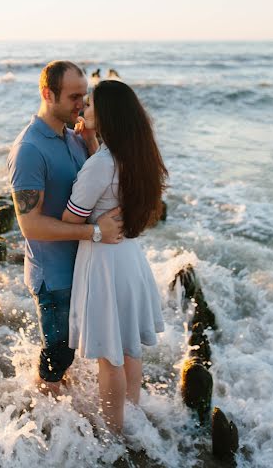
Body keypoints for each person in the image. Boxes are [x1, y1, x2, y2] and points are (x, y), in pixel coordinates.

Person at [7, 61, 123, 397]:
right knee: (57, 356)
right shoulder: (29, 149)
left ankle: (59, 401)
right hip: (54, 276)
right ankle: (47, 424)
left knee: (71, 349)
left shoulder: (73, 137)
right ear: (48, 94)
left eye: (84, 96)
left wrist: (89, 142)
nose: (82, 105)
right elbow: (30, 225)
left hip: (82, 265)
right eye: (74, 97)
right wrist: (95, 232)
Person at [62, 79, 168, 434]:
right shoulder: (139, 156)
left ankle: (113, 435)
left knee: (110, 358)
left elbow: (70, 219)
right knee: (129, 348)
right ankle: (132, 419)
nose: (82, 110)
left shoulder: (101, 165)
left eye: (90, 105)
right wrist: (93, 144)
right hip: (131, 259)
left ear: (106, 114)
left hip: (104, 261)